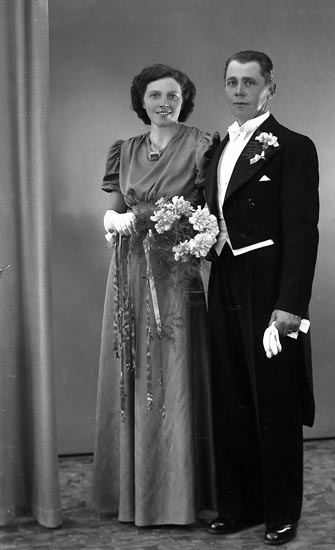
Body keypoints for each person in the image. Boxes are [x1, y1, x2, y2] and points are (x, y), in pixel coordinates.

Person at [93, 63, 219, 526]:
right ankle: (133, 494)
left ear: (185, 100)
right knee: (133, 367)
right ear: (141, 102)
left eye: (173, 95)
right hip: (129, 269)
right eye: (155, 96)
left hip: (175, 270)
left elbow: (211, 211)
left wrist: (172, 227)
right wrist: (114, 221)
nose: (164, 103)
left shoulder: (202, 145)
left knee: (174, 371)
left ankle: (179, 496)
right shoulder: (125, 150)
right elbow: (115, 210)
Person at [204, 51, 319, 545]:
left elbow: (302, 230)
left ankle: (280, 512)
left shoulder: (293, 146)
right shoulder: (218, 148)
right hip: (224, 276)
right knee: (230, 393)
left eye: (249, 82)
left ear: (269, 87)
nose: (239, 91)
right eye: (232, 82)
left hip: (269, 284)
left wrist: (290, 304)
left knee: (274, 398)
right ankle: (239, 505)